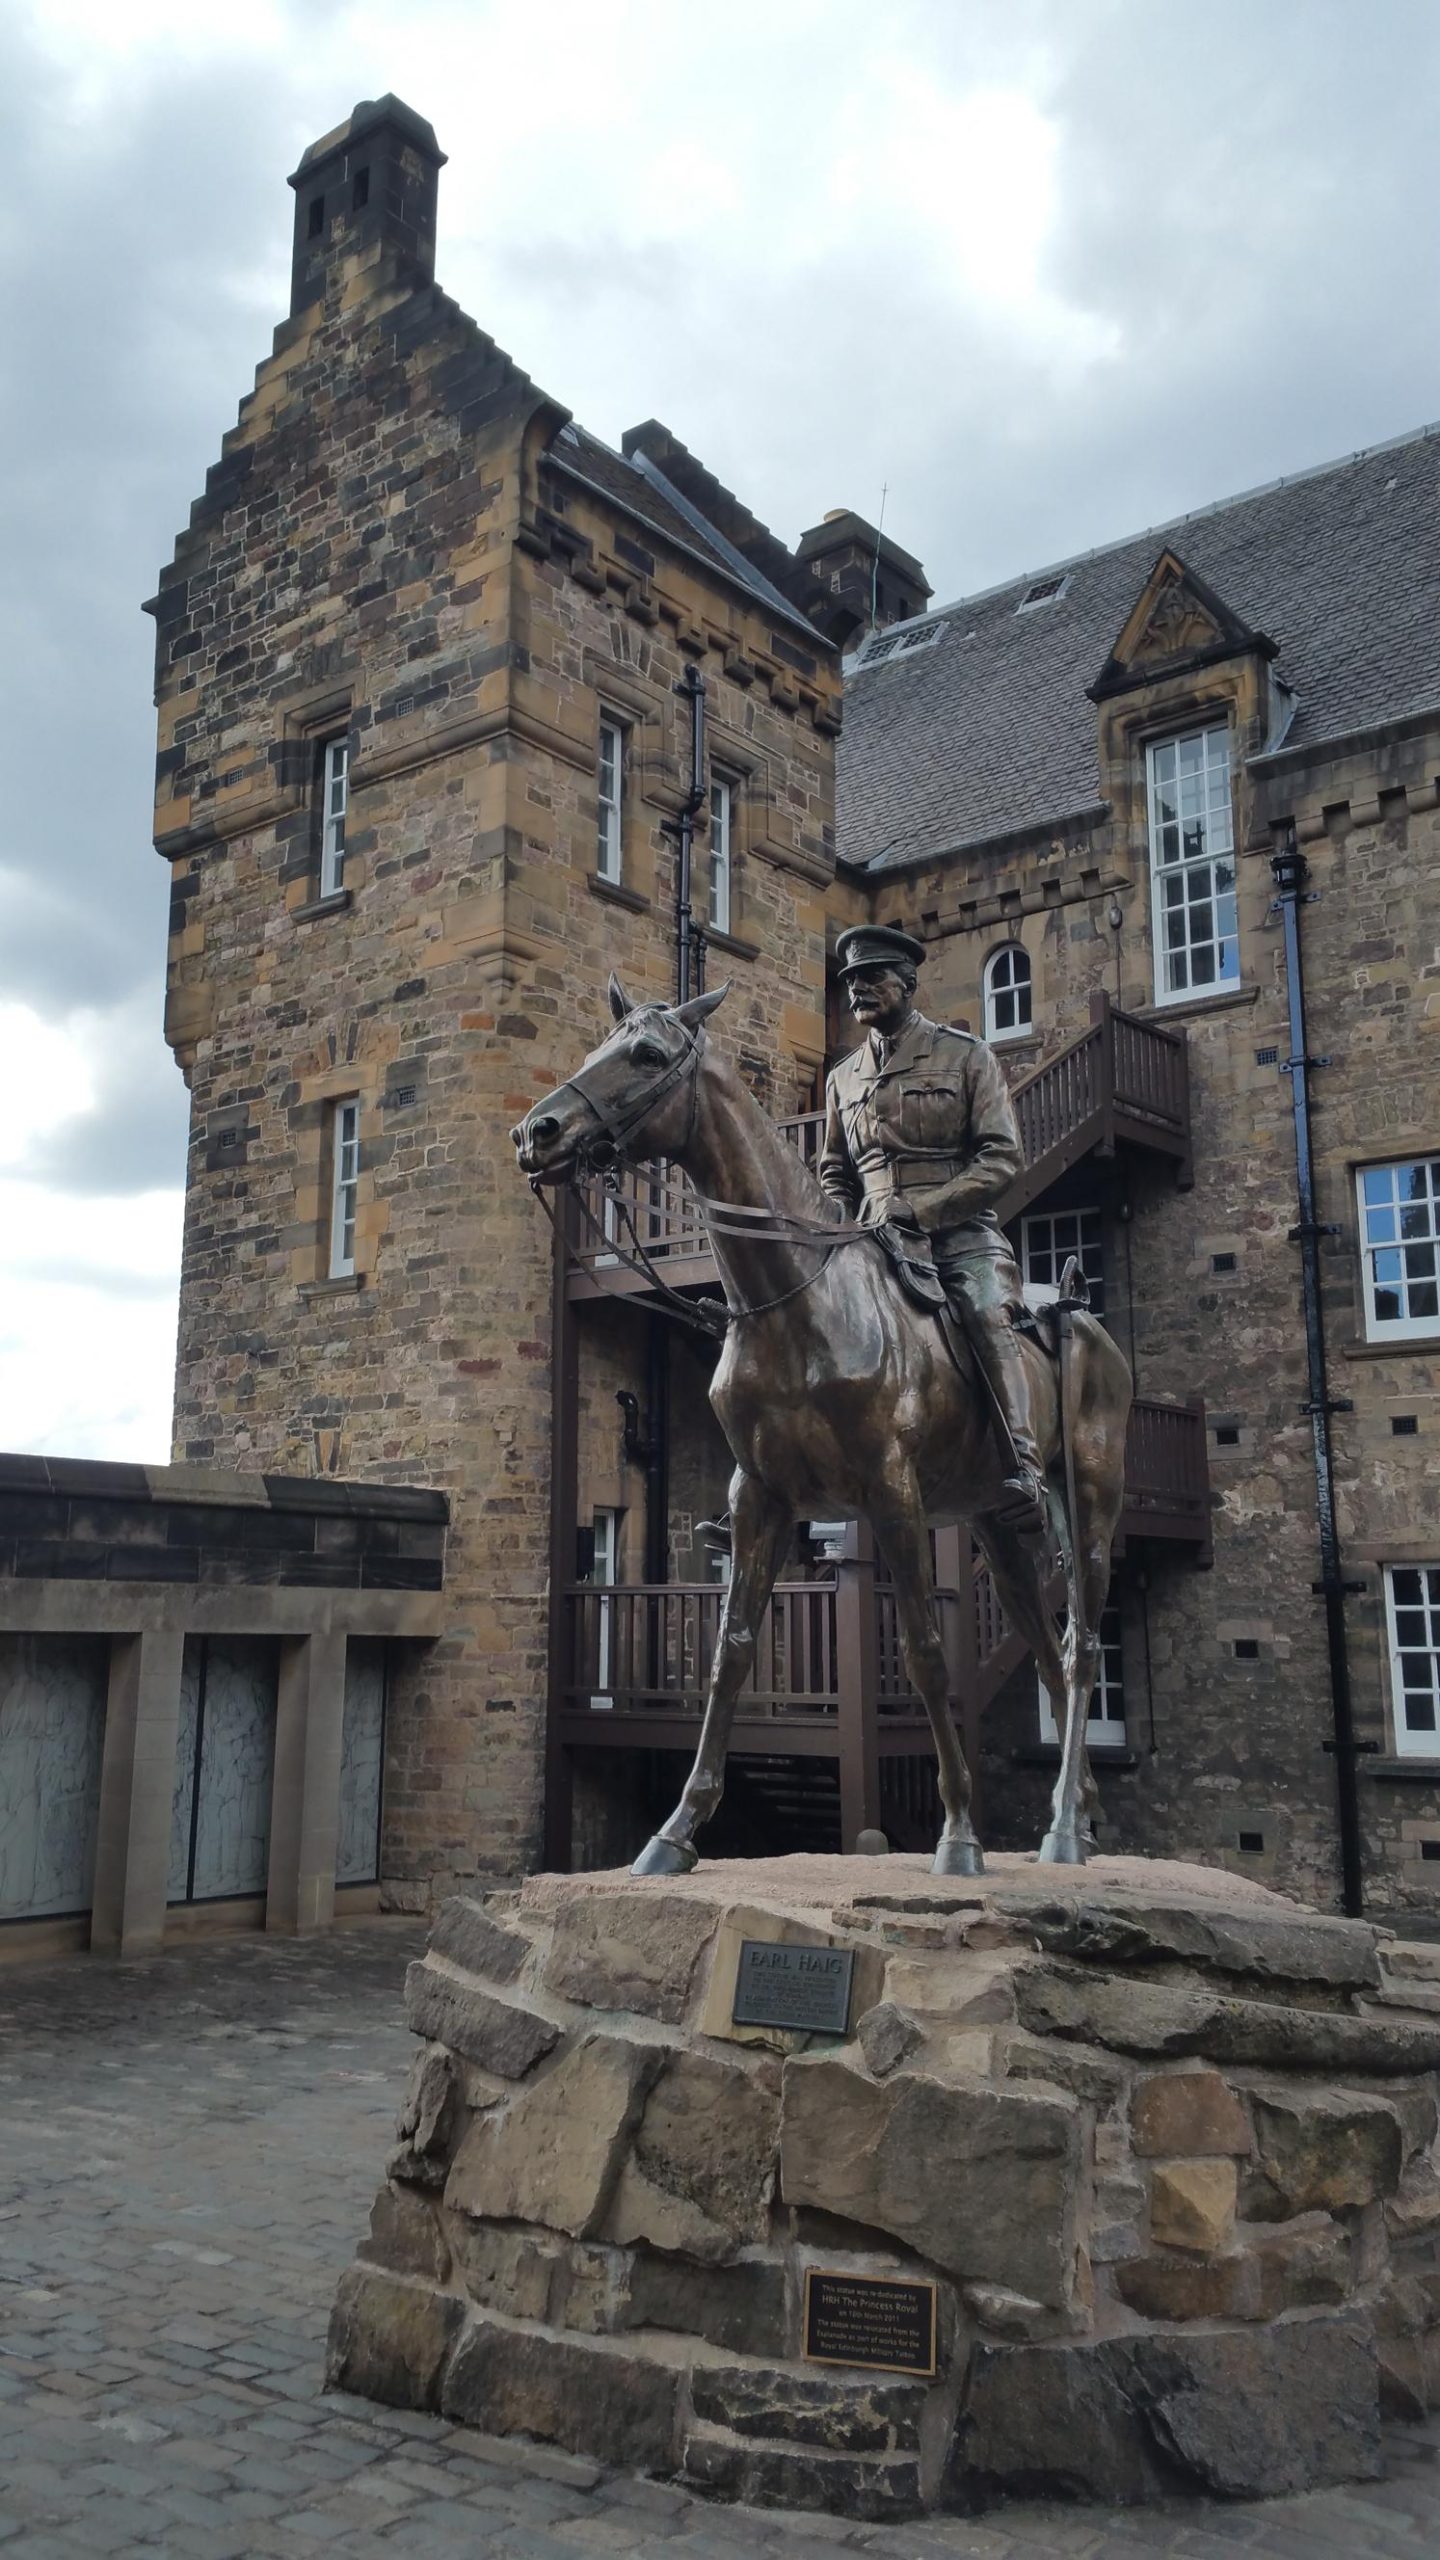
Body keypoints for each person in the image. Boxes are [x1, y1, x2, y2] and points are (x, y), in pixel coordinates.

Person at [818, 924, 1045, 1531]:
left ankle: (1024, 1462)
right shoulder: (842, 1077)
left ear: (907, 982)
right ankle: (779, 1473)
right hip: (870, 1239)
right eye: (850, 982)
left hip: (958, 1236)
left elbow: (1000, 1159)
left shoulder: (966, 1056)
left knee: (986, 1313)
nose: (858, 991)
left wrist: (920, 1210)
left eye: (872, 979)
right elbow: (834, 1170)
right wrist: (843, 1221)